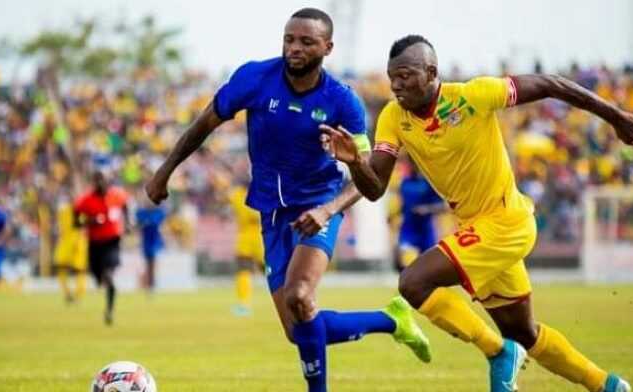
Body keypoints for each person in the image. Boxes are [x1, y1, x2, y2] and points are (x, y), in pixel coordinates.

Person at [321, 35, 633, 392]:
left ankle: (497, 352)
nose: (396, 85)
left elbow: (551, 84)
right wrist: (355, 163)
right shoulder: (394, 117)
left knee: (413, 282)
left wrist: (614, 116)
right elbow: (375, 188)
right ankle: (607, 385)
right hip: (478, 229)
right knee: (524, 332)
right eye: (392, 77)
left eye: (406, 76)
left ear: (431, 72)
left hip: (507, 222)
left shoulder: (473, 96)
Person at [145, 9, 431, 392]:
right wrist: (165, 171)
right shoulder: (254, 78)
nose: (294, 48)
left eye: (306, 42)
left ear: (327, 48)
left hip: (319, 205)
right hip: (271, 211)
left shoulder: (343, 102)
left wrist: (333, 200)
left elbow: (371, 182)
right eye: (289, 39)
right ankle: (391, 321)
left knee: (300, 294)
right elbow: (204, 124)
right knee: (299, 331)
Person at [74, 170, 130, 325]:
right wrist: (90, 222)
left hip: (112, 242)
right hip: (95, 243)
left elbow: (126, 206)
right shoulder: (86, 200)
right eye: (97, 181)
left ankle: (109, 311)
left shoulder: (116, 195)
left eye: (103, 181)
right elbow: (76, 221)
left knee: (109, 276)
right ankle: (102, 279)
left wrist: (129, 223)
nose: (101, 184)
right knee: (98, 278)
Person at [396, 159, 443, 271]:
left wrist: (426, 209)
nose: (413, 165)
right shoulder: (404, 183)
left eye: (415, 162)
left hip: (425, 230)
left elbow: (442, 206)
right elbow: (403, 205)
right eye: (411, 162)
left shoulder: (429, 184)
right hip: (408, 229)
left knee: (429, 268)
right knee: (406, 262)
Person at [227, 180, 264, 316]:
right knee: (270, 269)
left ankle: (243, 304)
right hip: (261, 236)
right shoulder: (260, 193)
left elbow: (225, 195)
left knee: (244, 271)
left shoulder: (237, 196)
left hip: (245, 237)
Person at [54, 199, 88, 304]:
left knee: (79, 270)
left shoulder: (81, 213)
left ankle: (77, 295)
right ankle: (68, 294)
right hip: (68, 243)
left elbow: (83, 228)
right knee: (61, 267)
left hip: (77, 243)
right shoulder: (64, 211)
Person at [135, 197, 167, 293]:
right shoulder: (142, 213)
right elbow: (138, 224)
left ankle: (151, 285)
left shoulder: (158, 213)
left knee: (151, 263)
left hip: (154, 241)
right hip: (145, 241)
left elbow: (158, 222)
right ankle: (149, 284)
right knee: (148, 264)